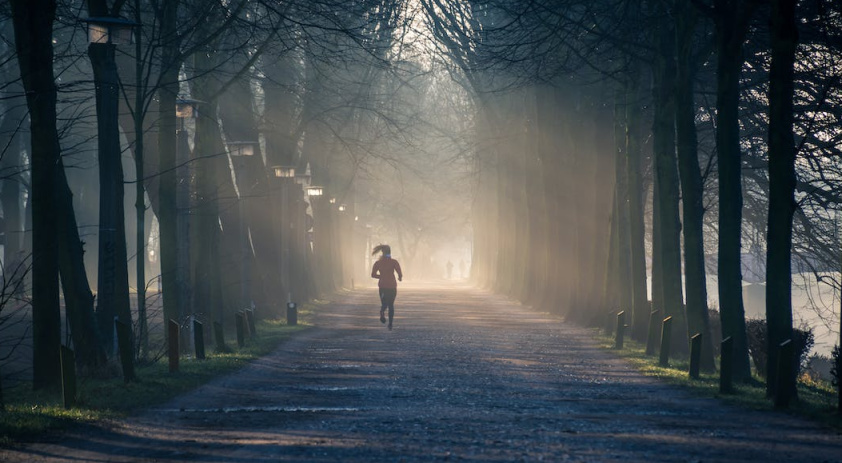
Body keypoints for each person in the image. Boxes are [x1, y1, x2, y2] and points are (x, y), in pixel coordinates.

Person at [371, 244, 402, 330]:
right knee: (391, 305)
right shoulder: (394, 262)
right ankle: (390, 324)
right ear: (390, 252)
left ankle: (382, 311)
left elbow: (373, 275)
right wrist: (400, 277)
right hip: (392, 286)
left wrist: (381, 277)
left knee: (384, 303)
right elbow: (399, 272)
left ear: (382, 252)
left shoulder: (378, 263)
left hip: (382, 286)